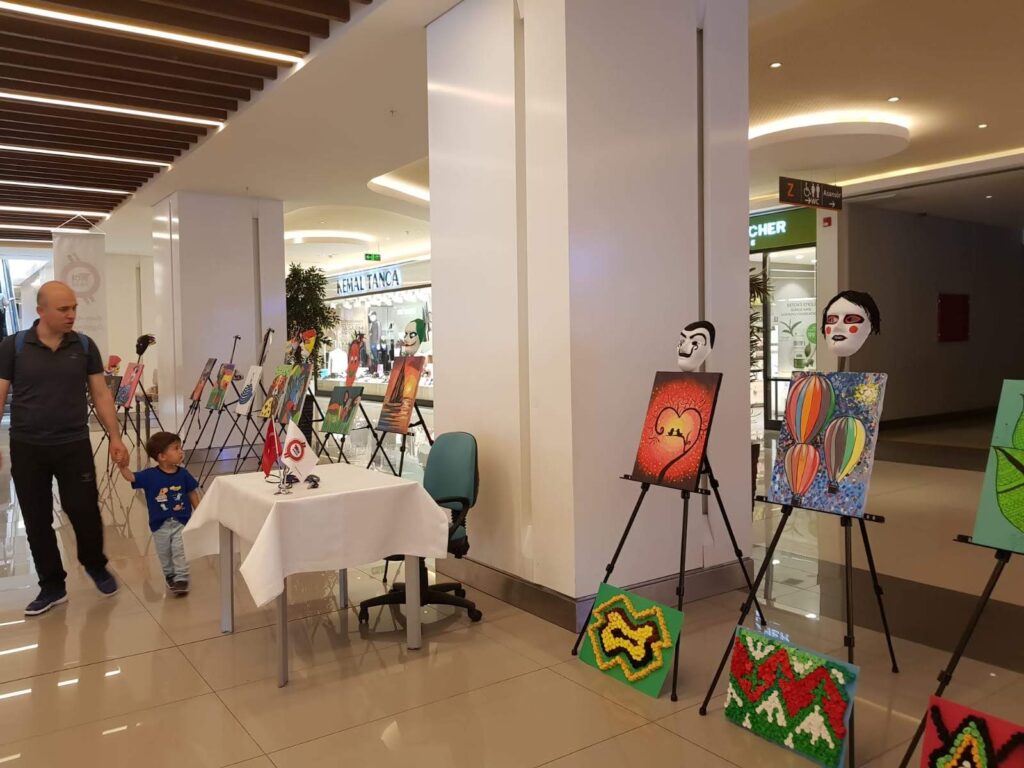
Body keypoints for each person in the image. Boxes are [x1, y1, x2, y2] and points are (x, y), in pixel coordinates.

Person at [0, 281, 129, 615]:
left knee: (84, 510)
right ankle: (52, 585)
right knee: (36, 517)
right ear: (41, 311)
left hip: (73, 444)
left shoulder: (84, 346)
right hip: (27, 446)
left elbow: (100, 393)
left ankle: (95, 564)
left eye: (74, 308)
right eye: (63, 309)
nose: (72, 314)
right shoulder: (13, 346)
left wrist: (115, 436)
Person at [119, 432, 199, 595]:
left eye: (180, 448)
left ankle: (181, 578)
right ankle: (170, 575)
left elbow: (192, 492)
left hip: (181, 521)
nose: (181, 451)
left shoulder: (183, 474)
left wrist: (199, 511)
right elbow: (131, 477)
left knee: (179, 550)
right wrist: (122, 467)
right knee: (164, 553)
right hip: (159, 524)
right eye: (176, 448)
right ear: (162, 456)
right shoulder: (150, 475)